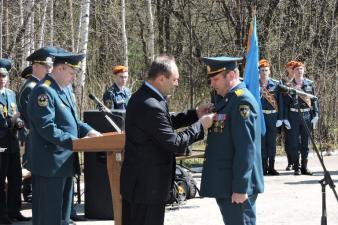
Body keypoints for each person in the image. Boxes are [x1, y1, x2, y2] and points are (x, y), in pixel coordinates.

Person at [120, 55, 213, 225]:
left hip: (142, 187)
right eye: (175, 79)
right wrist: (200, 125)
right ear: (161, 79)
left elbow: (165, 123)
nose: (177, 84)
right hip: (147, 189)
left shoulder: (147, 97)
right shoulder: (150, 104)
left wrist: (194, 114)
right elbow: (175, 143)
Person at [27, 51, 101, 225]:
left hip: (66, 161)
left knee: (63, 217)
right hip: (50, 165)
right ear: (60, 68)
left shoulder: (65, 89)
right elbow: (47, 127)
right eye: (71, 72)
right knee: (48, 216)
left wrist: (90, 131)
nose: (74, 77)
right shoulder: (43, 91)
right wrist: (74, 142)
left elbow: (74, 121)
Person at [199, 56, 264, 225]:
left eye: (216, 79)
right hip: (227, 184)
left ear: (232, 75)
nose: (212, 84)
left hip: (237, 188)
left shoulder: (242, 101)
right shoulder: (227, 100)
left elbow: (246, 148)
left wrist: (241, 188)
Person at [18, 46, 58, 204]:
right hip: (32, 135)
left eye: (50, 66)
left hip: (38, 136)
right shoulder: (31, 88)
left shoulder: (41, 86)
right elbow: (33, 118)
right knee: (31, 167)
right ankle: (29, 193)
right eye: (46, 66)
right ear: (35, 67)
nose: (49, 69)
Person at [0, 59, 30, 224]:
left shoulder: (12, 94)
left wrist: (19, 123)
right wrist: (10, 123)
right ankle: (2, 213)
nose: (2, 79)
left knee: (15, 178)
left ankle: (14, 210)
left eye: (4, 76)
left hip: (12, 142)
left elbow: (16, 113)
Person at [286, 61, 319, 175]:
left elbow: (314, 100)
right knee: (295, 143)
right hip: (294, 115)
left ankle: (305, 166)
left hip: (306, 115)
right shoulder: (289, 85)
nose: (299, 71)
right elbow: (285, 103)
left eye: (301, 69)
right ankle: (297, 167)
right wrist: (285, 118)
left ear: (304, 70)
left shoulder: (310, 83)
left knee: (306, 142)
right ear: (293, 72)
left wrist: (316, 115)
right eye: (297, 69)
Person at [259, 59, 283, 175]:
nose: (264, 72)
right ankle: (263, 166)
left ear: (269, 71)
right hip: (260, 116)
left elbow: (280, 102)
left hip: (273, 116)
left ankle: (272, 167)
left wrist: (280, 118)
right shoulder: (255, 84)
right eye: (262, 70)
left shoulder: (276, 84)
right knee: (262, 142)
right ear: (259, 71)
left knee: (272, 142)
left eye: (266, 70)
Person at [280, 60, 296, 170]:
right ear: (287, 69)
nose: (293, 69)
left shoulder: (300, 81)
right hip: (288, 114)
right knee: (289, 140)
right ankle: (290, 162)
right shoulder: (282, 81)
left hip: (298, 113)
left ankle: (297, 162)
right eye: (291, 67)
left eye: (294, 67)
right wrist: (284, 117)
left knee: (298, 140)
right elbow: (281, 100)